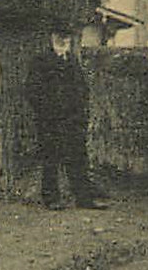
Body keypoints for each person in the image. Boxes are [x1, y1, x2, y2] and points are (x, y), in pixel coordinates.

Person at [25, 30, 103, 210]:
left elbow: (82, 89)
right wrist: (46, 111)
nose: (63, 41)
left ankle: (83, 198)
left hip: (72, 119)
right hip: (50, 120)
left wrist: (80, 112)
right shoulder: (41, 61)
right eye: (59, 37)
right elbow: (32, 90)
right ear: (51, 38)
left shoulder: (72, 62)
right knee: (51, 158)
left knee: (78, 158)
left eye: (66, 38)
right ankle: (51, 198)